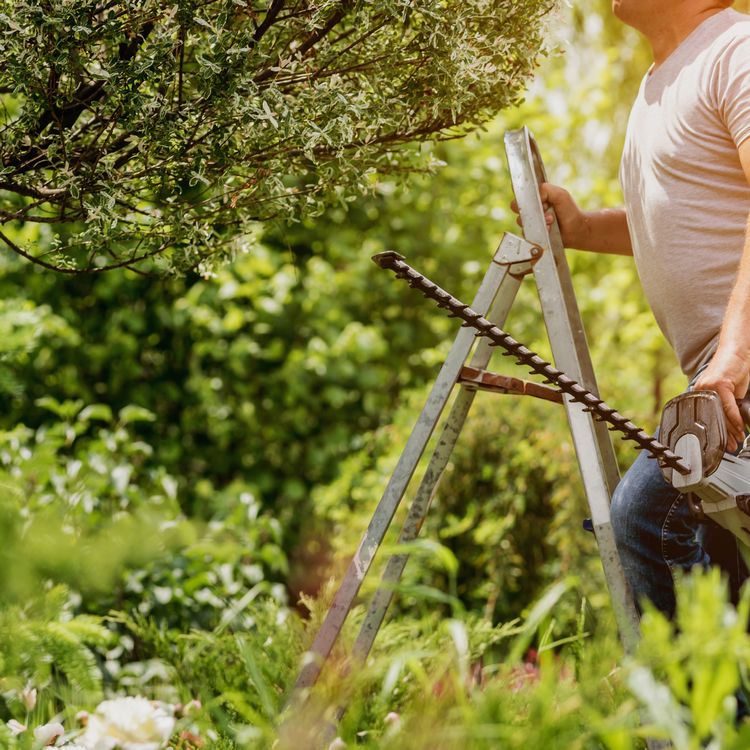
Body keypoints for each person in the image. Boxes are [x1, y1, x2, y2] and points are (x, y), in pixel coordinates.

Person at [513, 0, 750, 618]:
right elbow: (679, 220)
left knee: (645, 518)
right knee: (716, 562)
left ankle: (716, 716)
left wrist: (732, 359)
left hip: (737, 371)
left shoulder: (736, 52)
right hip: (720, 375)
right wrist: (586, 227)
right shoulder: (659, 83)